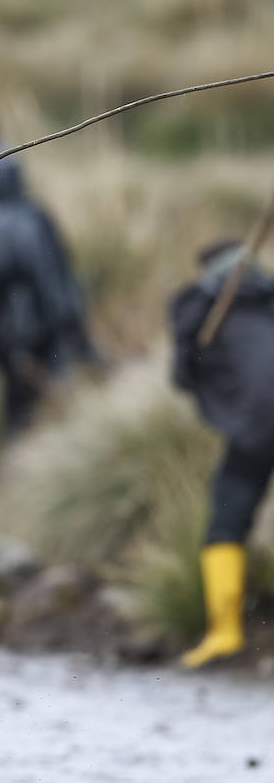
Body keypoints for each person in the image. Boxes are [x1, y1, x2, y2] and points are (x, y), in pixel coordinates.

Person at [171, 240, 274, 668]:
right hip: (257, 423)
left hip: (255, 425)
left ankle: (226, 634)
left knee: (227, 520)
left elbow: (182, 373)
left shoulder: (201, 304)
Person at [0, 115, 97, 433]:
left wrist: (10, 338)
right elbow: (60, 270)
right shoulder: (37, 215)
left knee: (24, 402)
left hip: (23, 327)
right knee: (53, 391)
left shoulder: (0, 226)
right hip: (49, 319)